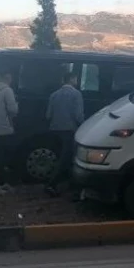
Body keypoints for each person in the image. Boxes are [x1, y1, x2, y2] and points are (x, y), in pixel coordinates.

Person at [45, 70, 85, 198]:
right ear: (72, 79)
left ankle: (65, 184)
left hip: (55, 130)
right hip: (69, 130)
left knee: (60, 157)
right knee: (67, 158)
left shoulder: (54, 95)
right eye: (76, 79)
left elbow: (48, 115)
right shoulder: (76, 94)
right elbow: (78, 115)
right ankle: (52, 184)